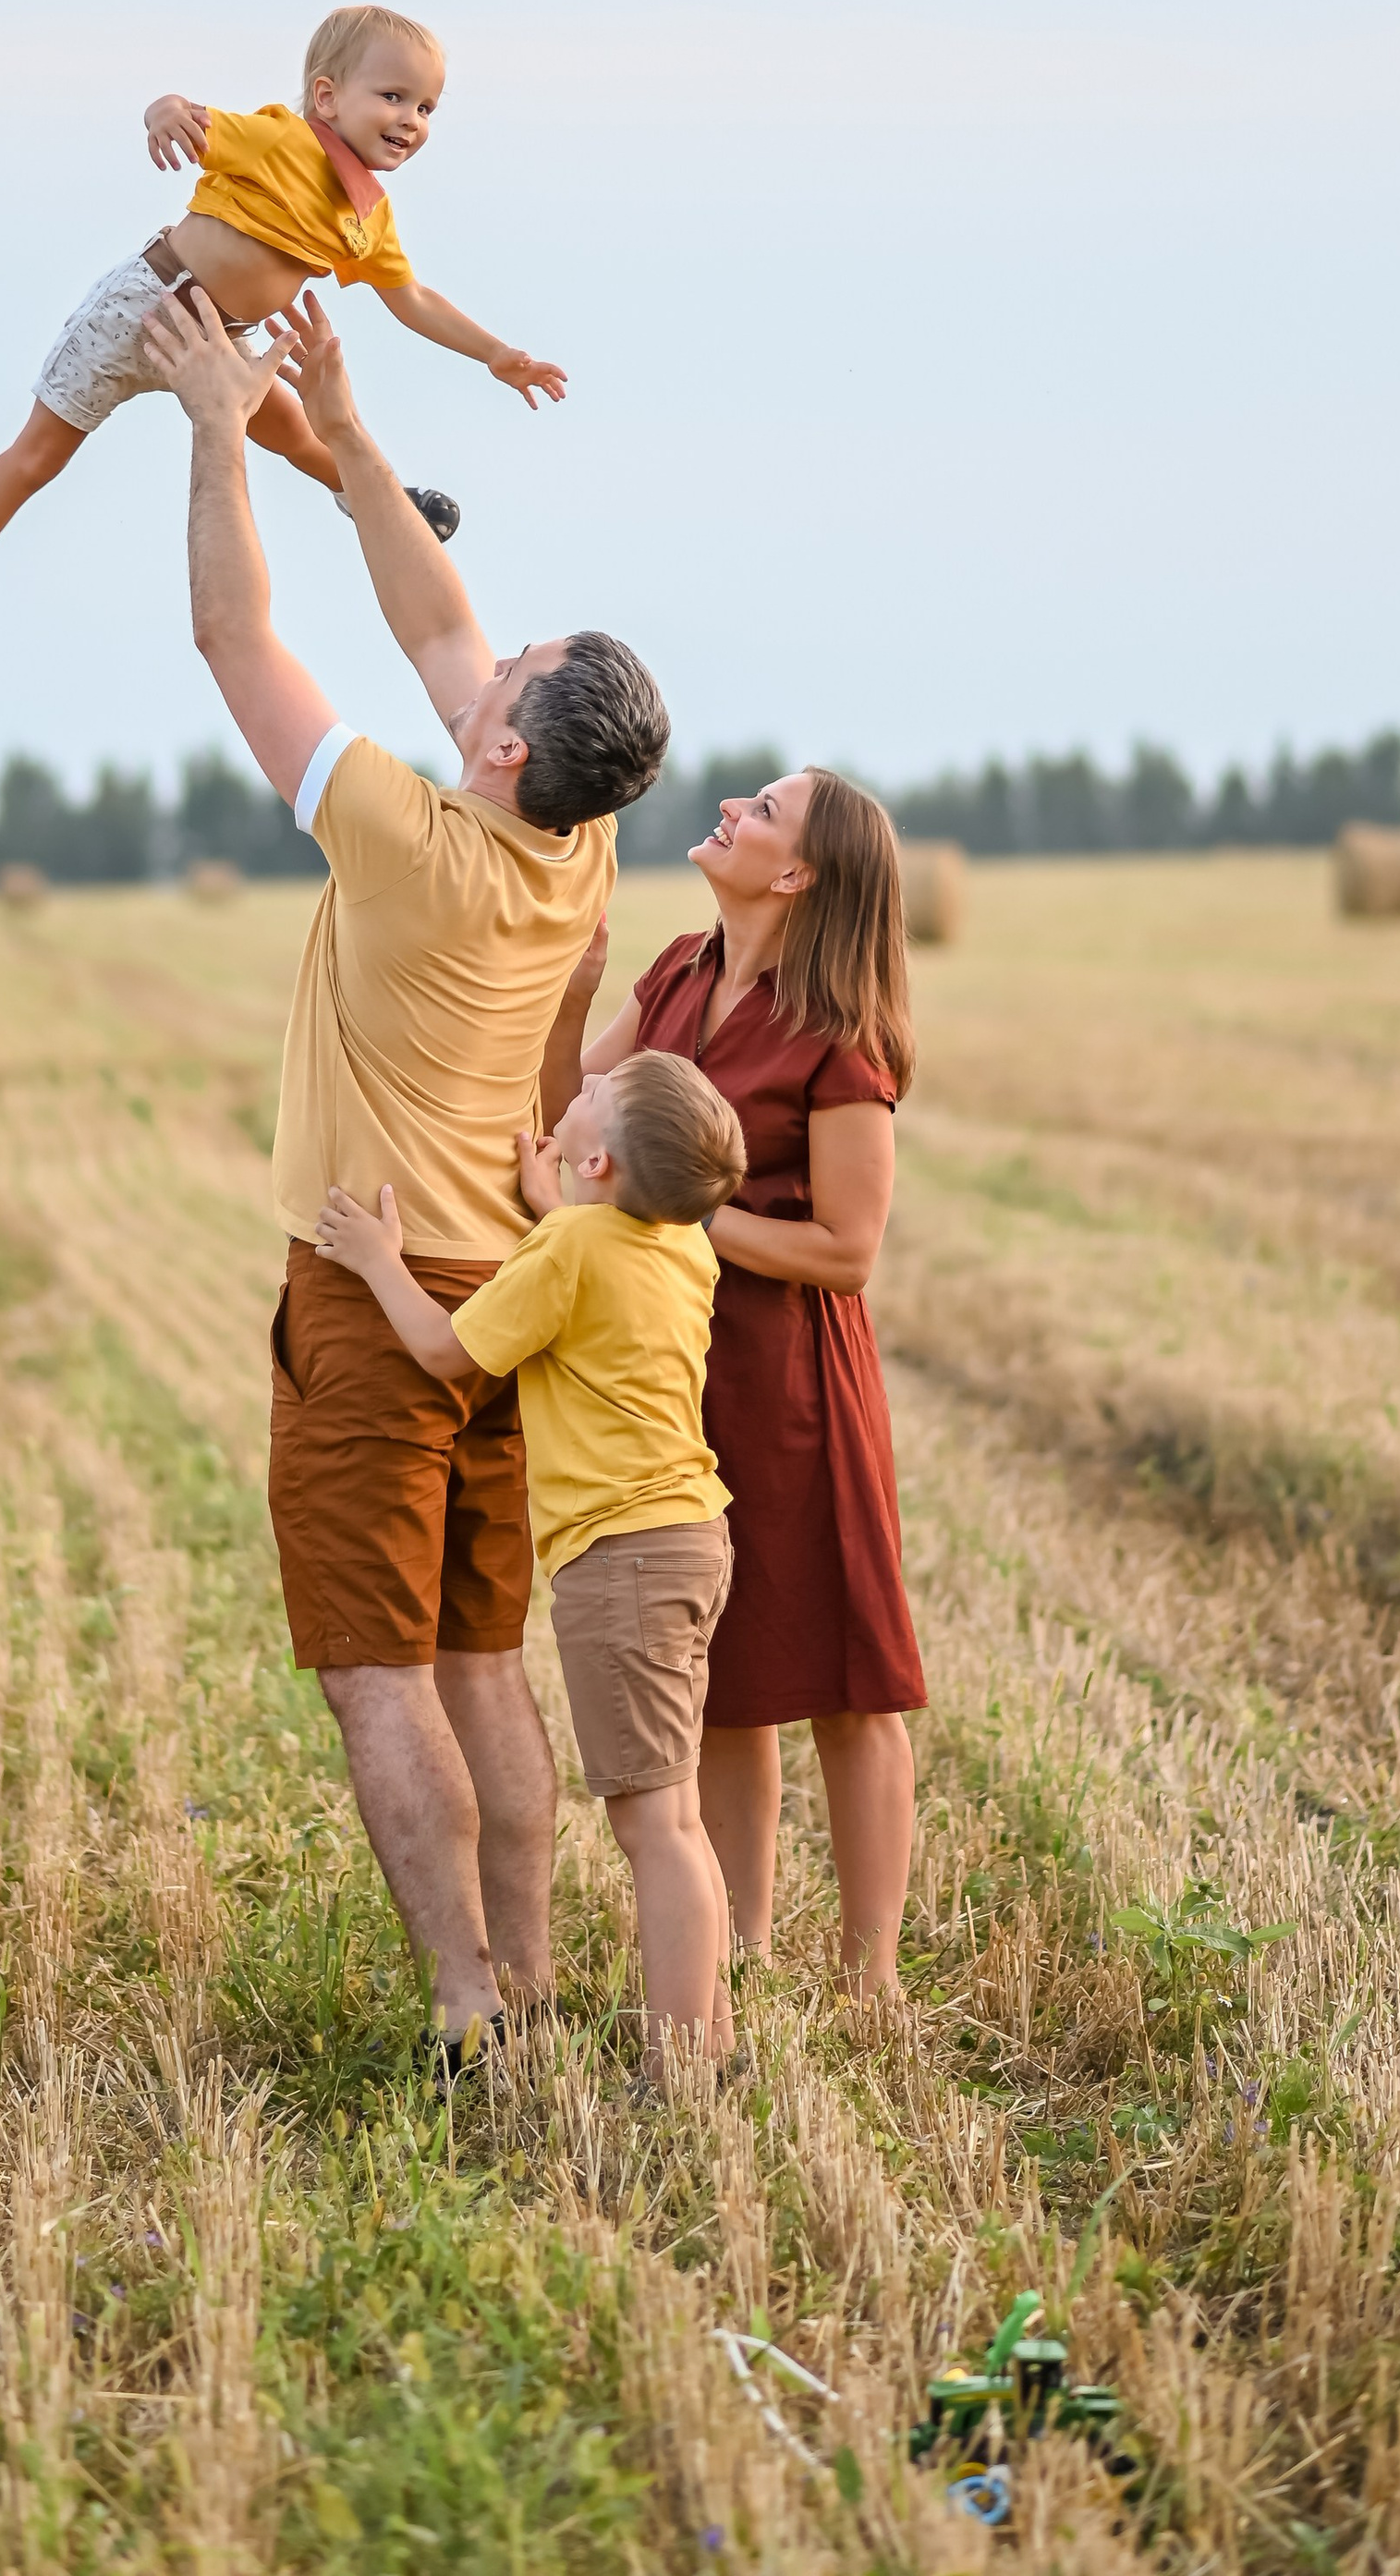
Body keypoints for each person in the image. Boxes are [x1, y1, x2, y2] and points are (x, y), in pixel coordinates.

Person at [134, 277, 668, 2065]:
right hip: (497, 1302)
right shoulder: (573, 847)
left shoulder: (407, 834)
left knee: (379, 1670)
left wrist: (222, 427)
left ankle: (462, 2005)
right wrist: (349, 432)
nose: (484, 655)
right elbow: (440, 617)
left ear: (506, 744)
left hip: (373, 1305)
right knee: (475, 1664)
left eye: (506, 675)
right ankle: (523, 1974)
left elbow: (236, 641)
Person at [541, 769, 926, 1996]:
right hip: (673, 1367)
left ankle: (873, 1981)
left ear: (800, 873)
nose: (729, 810)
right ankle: (744, 1955)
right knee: (727, 1684)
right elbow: (569, 1121)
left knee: (852, 1688)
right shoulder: (673, 976)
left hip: (795, 1385)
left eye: (761, 811)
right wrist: (571, 1003)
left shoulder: (838, 1034)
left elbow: (847, 1252)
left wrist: (687, 1219)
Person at [0, 3, 568, 683]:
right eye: (393, 97)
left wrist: (493, 352)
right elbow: (188, 113)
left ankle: (376, 497)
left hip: (223, 339)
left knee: (296, 430)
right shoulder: (282, 140)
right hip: (148, 308)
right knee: (39, 454)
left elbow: (412, 298)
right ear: (329, 98)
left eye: (427, 108)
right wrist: (162, 112)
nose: (410, 121)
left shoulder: (367, 214)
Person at [315, 1050, 749, 2078]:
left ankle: (679, 2062)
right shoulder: (681, 1243)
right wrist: (560, 1201)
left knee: (654, 1826)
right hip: (692, 1536)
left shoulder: (569, 1254)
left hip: (623, 1559)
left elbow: (444, 1351)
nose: (570, 1097)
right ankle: (709, 2036)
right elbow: (599, 1246)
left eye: (587, 1099)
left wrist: (380, 1257)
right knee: (677, 1816)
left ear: (597, 1159)